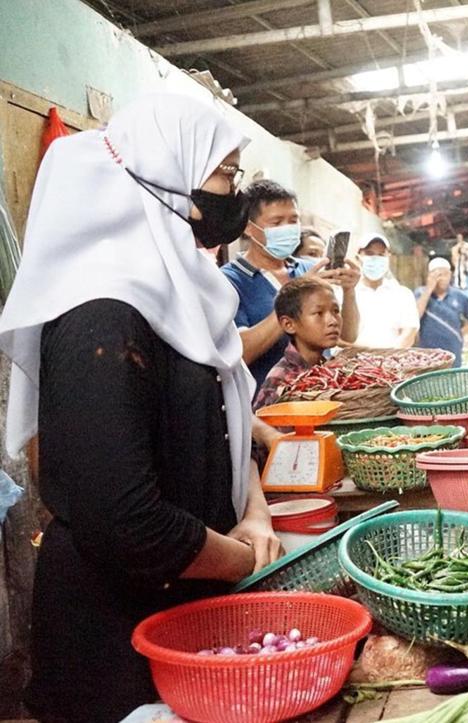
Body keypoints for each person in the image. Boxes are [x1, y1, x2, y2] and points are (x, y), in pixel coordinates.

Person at [0, 94, 282, 723]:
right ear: (166, 173)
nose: (232, 193)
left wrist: (255, 513)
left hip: (186, 607)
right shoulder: (101, 314)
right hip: (117, 641)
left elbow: (223, 425)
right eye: (225, 174)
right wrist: (246, 564)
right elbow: (122, 519)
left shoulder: (182, 295)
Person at [221, 180, 359, 390]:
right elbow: (240, 352)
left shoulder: (308, 269)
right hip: (268, 406)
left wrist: (349, 292)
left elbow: (346, 337)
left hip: (322, 395)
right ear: (249, 228)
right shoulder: (230, 280)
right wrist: (297, 295)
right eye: (276, 223)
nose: (287, 228)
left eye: (293, 220)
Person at [253, 277, 341, 409]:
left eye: (336, 311)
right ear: (289, 324)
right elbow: (264, 427)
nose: (333, 321)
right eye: (319, 313)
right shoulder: (282, 380)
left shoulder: (331, 370)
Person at [353, 233, 419, 348]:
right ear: (358, 257)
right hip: (352, 362)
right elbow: (340, 338)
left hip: (394, 362)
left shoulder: (402, 294)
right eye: (369, 253)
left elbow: (409, 332)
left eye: (381, 254)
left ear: (388, 257)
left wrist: (389, 357)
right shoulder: (345, 294)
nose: (375, 259)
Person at [414, 257, 468, 367]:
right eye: (438, 275)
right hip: (427, 355)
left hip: (453, 352)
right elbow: (414, 317)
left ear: (450, 275)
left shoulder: (460, 297)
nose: (442, 278)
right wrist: (429, 289)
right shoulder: (420, 293)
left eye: (445, 274)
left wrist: (459, 333)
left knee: (452, 382)